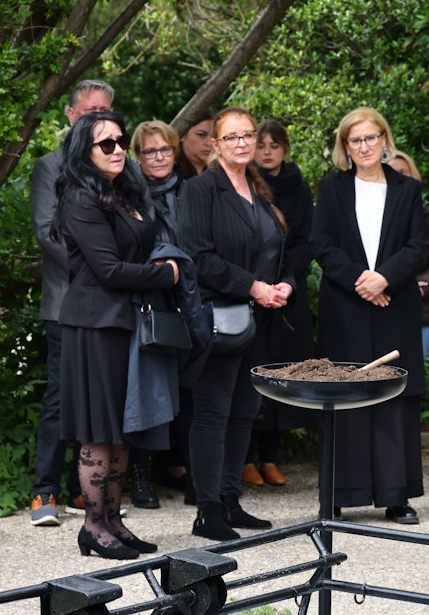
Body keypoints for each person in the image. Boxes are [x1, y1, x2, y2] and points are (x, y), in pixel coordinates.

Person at [53, 111, 179, 559]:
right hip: (94, 324)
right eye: (106, 144)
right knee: (98, 430)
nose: (118, 149)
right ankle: (92, 526)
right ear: (84, 152)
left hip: (124, 321)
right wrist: (165, 274)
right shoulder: (80, 198)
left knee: (122, 430)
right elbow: (108, 269)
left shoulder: (122, 192)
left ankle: (113, 520)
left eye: (121, 141)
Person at [178, 107, 296, 541]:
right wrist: (254, 286)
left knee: (244, 412)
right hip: (219, 318)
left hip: (260, 319)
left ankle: (230, 499)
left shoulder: (258, 188)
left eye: (248, 135)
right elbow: (198, 257)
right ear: (215, 144)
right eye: (232, 137)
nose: (243, 143)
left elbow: (278, 250)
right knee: (213, 413)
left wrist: (284, 284)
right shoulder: (200, 189)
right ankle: (207, 510)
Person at [311, 107, 428, 524]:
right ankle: (338, 495)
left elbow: (417, 245)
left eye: (370, 138)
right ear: (346, 146)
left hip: (394, 304)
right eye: (355, 140)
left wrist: (384, 279)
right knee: (345, 398)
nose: (364, 146)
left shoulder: (407, 189)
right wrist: (361, 281)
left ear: (384, 139)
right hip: (346, 306)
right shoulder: (332, 188)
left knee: (394, 398)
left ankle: (397, 496)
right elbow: (320, 243)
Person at [27, 79, 113, 527]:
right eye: (91, 111)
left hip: (111, 303)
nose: (98, 118)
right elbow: (48, 232)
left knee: (97, 398)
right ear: (71, 115)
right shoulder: (50, 165)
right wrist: (101, 267)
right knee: (60, 397)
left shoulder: (114, 164)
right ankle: (44, 490)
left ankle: (86, 489)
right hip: (67, 301)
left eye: (105, 111)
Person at [242, 120, 317, 488]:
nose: (267, 151)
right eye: (262, 144)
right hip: (252, 290)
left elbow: (307, 240)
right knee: (250, 375)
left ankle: (271, 457)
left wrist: (286, 281)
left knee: (282, 374)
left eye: (274, 145)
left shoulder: (299, 188)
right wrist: (261, 282)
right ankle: (245, 459)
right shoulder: (245, 183)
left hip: (288, 294)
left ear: (285, 148)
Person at [128, 120, 183, 509]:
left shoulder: (190, 189)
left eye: (166, 149)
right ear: (137, 156)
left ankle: (180, 468)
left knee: (184, 389)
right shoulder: (129, 193)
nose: (159, 157)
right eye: (150, 151)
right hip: (148, 300)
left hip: (189, 297)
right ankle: (140, 474)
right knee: (146, 390)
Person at [387, 150, 429, 358]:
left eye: (403, 172)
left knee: (412, 375)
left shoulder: (427, 218)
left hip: (420, 314)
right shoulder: (371, 218)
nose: (398, 177)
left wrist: (419, 288)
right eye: (390, 172)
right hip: (382, 311)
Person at [176, 109, 216, 179]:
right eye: (201, 135)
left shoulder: (218, 173)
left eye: (214, 136)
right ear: (183, 135)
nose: (209, 143)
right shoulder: (171, 174)